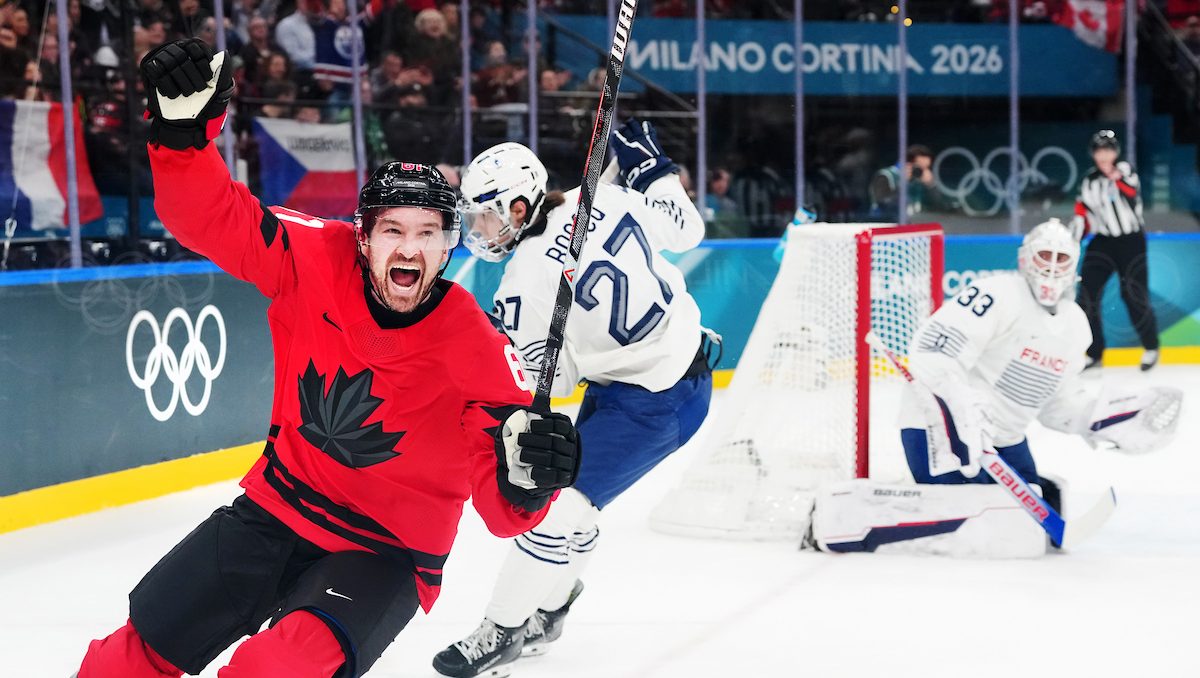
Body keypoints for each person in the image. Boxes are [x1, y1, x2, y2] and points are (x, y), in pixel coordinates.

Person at [75, 38, 582, 678]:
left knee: (274, 670)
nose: (411, 247)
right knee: (123, 663)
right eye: (394, 229)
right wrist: (183, 139)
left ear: (448, 247)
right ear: (363, 237)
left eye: (429, 233)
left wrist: (530, 475)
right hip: (274, 508)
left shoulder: (480, 348)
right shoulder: (312, 256)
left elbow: (505, 510)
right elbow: (209, 217)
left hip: (385, 552)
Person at [433, 121, 714, 677]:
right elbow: (688, 232)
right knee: (575, 506)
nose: (477, 229)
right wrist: (653, 171)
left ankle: (504, 630)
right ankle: (552, 609)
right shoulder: (602, 195)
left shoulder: (522, 283)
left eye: (485, 214)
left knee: (551, 513)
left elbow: (547, 387)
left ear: (518, 208)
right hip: (659, 374)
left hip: (655, 399)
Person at [810, 219, 1182, 556]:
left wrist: (1097, 419)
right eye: (1044, 256)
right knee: (975, 524)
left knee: (1030, 527)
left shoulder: (1076, 325)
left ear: (1074, 268)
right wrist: (961, 401)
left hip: (1003, 440)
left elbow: (1056, 404)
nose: (1052, 267)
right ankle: (856, 519)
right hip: (940, 430)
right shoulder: (997, 294)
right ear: (1025, 260)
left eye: (1061, 258)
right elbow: (932, 349)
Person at [1071, 129, 1160, 371]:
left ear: (1115, 152)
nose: (1103, 155)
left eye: (1108, 149)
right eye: (1099, 150)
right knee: (1086, 296)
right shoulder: (1089, 180)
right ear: (1093, 153)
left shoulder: (1126, 171)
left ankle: (1151, 346)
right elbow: (1083, 212)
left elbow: (1132, 195)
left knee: (1133, 295)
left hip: (1131, 241)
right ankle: (1095, 350)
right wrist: (1075, 236)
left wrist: (1115, 177)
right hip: (1103, 241)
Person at [868, 143, 950, 220]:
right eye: (919, 168)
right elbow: (885, 205)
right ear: (907, 164)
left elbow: (941, 207)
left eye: (926, 168)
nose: (922, 172)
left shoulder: (921, 182)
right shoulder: (886, 176)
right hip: (886, 225)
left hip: (914, 225)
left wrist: (931, 185)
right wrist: (903, 183)